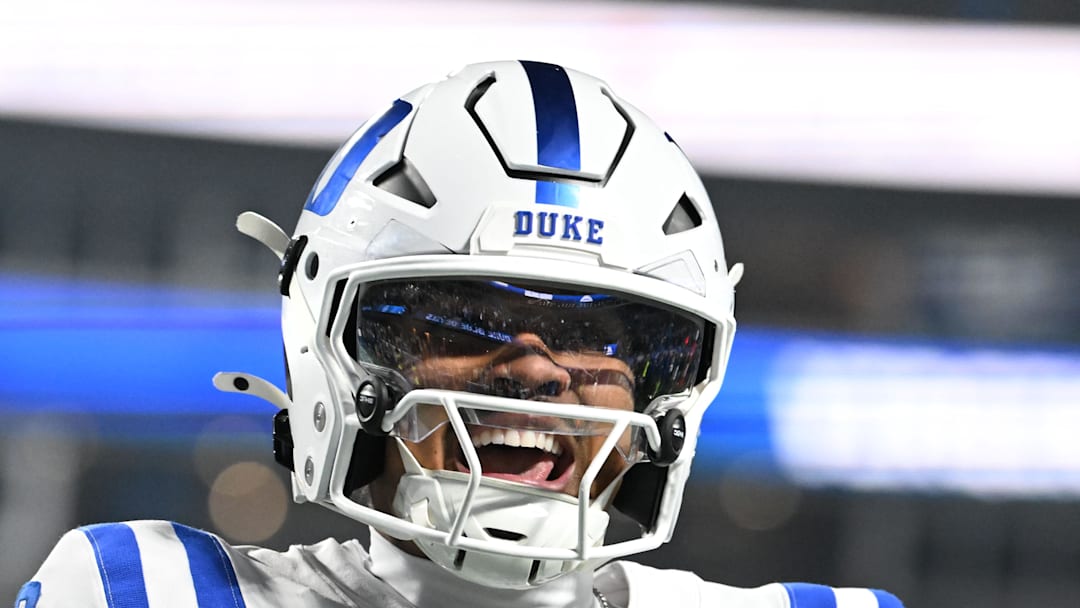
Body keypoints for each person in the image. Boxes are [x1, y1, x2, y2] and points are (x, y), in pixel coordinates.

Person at [18, 61, 903, 608]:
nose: (539, 372)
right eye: (468, 319)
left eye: (596, 333)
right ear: (337, 345)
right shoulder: (142, 594)